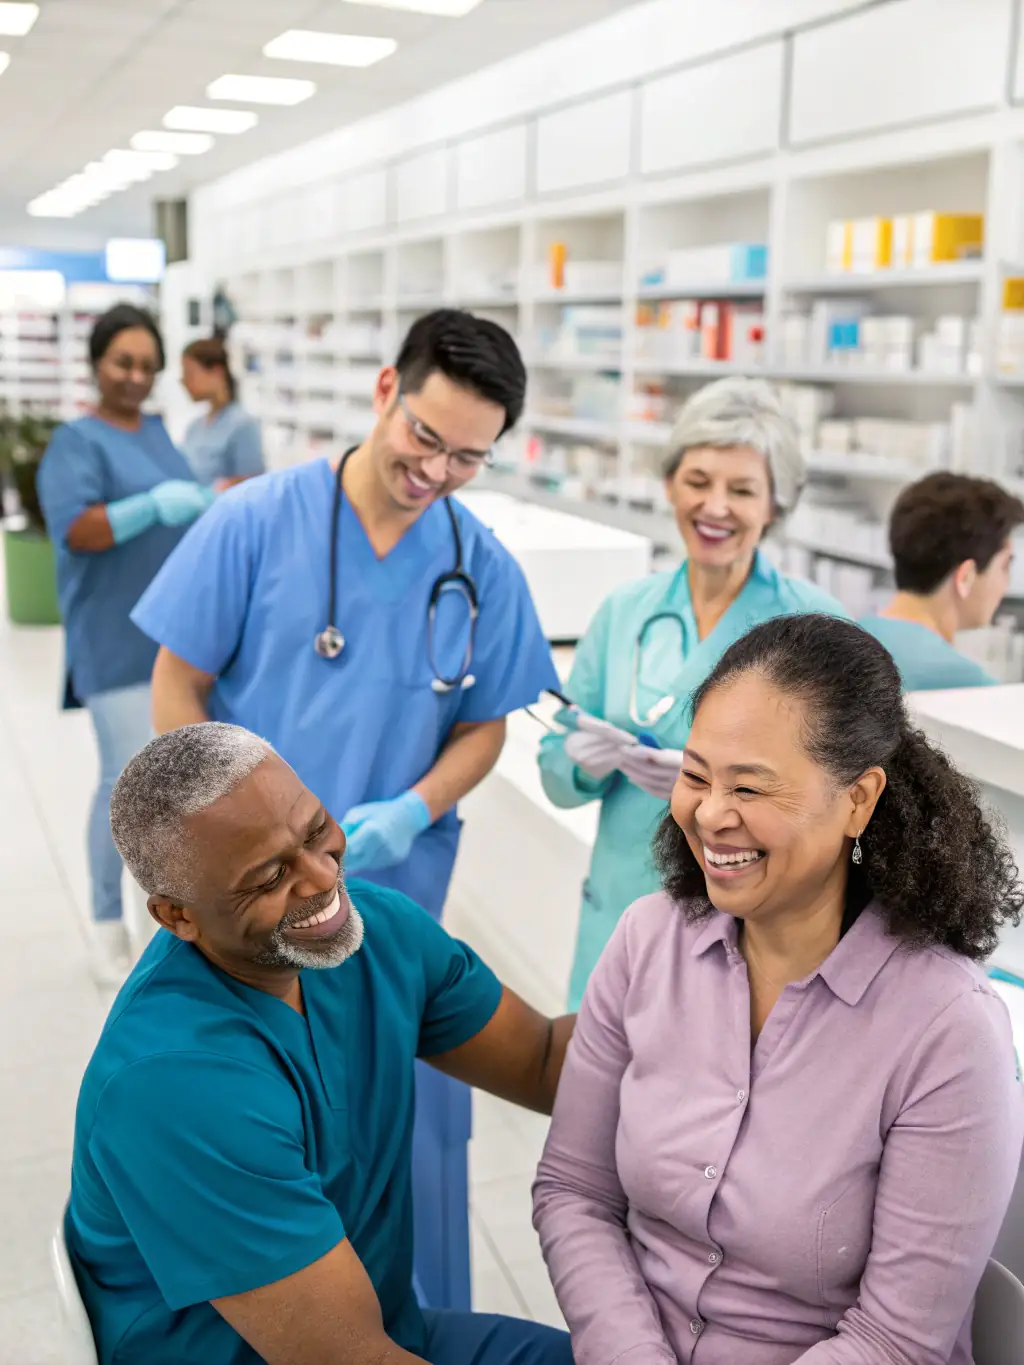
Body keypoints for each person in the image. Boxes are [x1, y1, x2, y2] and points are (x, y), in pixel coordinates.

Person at [533, 613, 1024, 1365]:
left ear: (858, 800)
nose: (710, 813)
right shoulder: (646, 940)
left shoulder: (947, 1027)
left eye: (750, 787)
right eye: (695, 776)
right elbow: (574, 1189)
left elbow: (895, 1339)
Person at [68, 724, 574, 1365]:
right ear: (177, 916)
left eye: (314, 832)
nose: (322, 878)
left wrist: (722, 1004)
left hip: (388, 1333)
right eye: (269, 876)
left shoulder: (380, 933)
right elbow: (347, 1359)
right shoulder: (172, 1083)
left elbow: (544, 1061)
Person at [133, 308, 558, 919]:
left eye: (467, 457)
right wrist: (224, 815)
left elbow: (484, 725)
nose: (436, 472)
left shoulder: (485, 569)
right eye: (426, 438)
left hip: (392, 882)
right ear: (386, 389)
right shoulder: (253, 522)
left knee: (379, 1013)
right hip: (246, 875)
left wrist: (415, 809)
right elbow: (177, 682)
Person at [538, 377, 849, 1009]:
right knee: (603, 1085)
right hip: (625, 896)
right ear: (670, 483)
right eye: (698, 481)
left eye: (741, 490)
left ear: (775, 505)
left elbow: (843, 791)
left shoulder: (813, 626)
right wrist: (582, 763)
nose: (715, 507)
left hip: (753, 916)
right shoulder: (626, 610)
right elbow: (553, 768)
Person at [36, 304, 212, 983]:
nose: (136, 376)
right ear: (96, 362)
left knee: (171, 790)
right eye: (123, 362)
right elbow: (76, 530)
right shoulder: (74, 442)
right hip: (110, 637)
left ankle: (155, 922)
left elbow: (186, 504)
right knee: (122, 783)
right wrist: (152, 506)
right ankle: (106, 926)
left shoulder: (161, 432)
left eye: (147, 365)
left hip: (174, 637)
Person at [860, 471, 1024, 691]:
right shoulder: (970, 688)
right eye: (1004, 566)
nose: (1005, 584)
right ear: (966, 577)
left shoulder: (841, 639)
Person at [180, 336, 265, 489]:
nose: (184, 382)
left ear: (216, 372)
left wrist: (212, 493)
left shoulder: (243, 425)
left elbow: (252, 486)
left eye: (189, 374)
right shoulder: (194, 427)